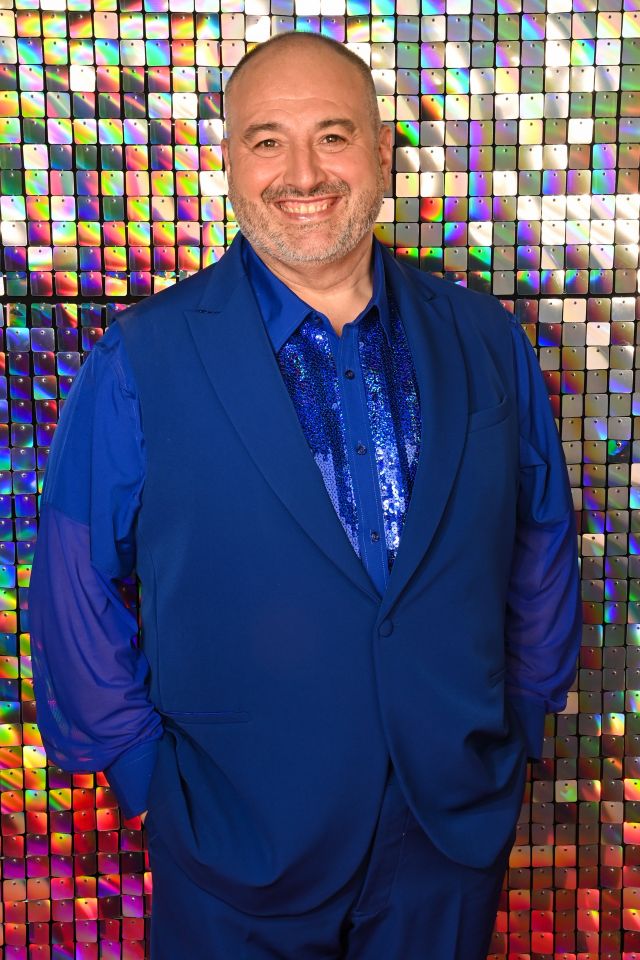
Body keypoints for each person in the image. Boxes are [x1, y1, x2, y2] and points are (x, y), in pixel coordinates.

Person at [29, 30, 582, 960]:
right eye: (267, 139)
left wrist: (518, 718)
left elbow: (542, 537)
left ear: (381, 155)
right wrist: (145, 779)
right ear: (231, 165)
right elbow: (73, 585)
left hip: (449, 826)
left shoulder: (484, 336)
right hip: (235, 837)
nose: (303, 171)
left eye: (333, 135)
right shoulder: (140, 358)